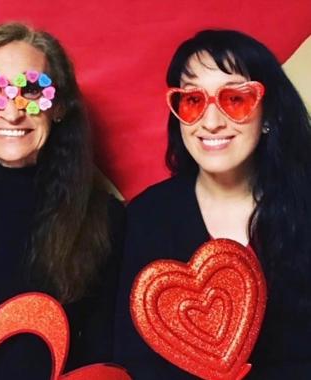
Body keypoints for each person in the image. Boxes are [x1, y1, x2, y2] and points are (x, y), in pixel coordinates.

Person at [0, 23, 125, 379]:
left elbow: (102, 360)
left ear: (60, 106)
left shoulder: (104, 220)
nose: (11, 112)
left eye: (32, 89)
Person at [115, 29, 311, 379]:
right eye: (193, 100)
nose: (211, 121)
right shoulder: (147, 217)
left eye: (235, 99)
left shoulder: (304, 206)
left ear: (268, 115)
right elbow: (133, 358)